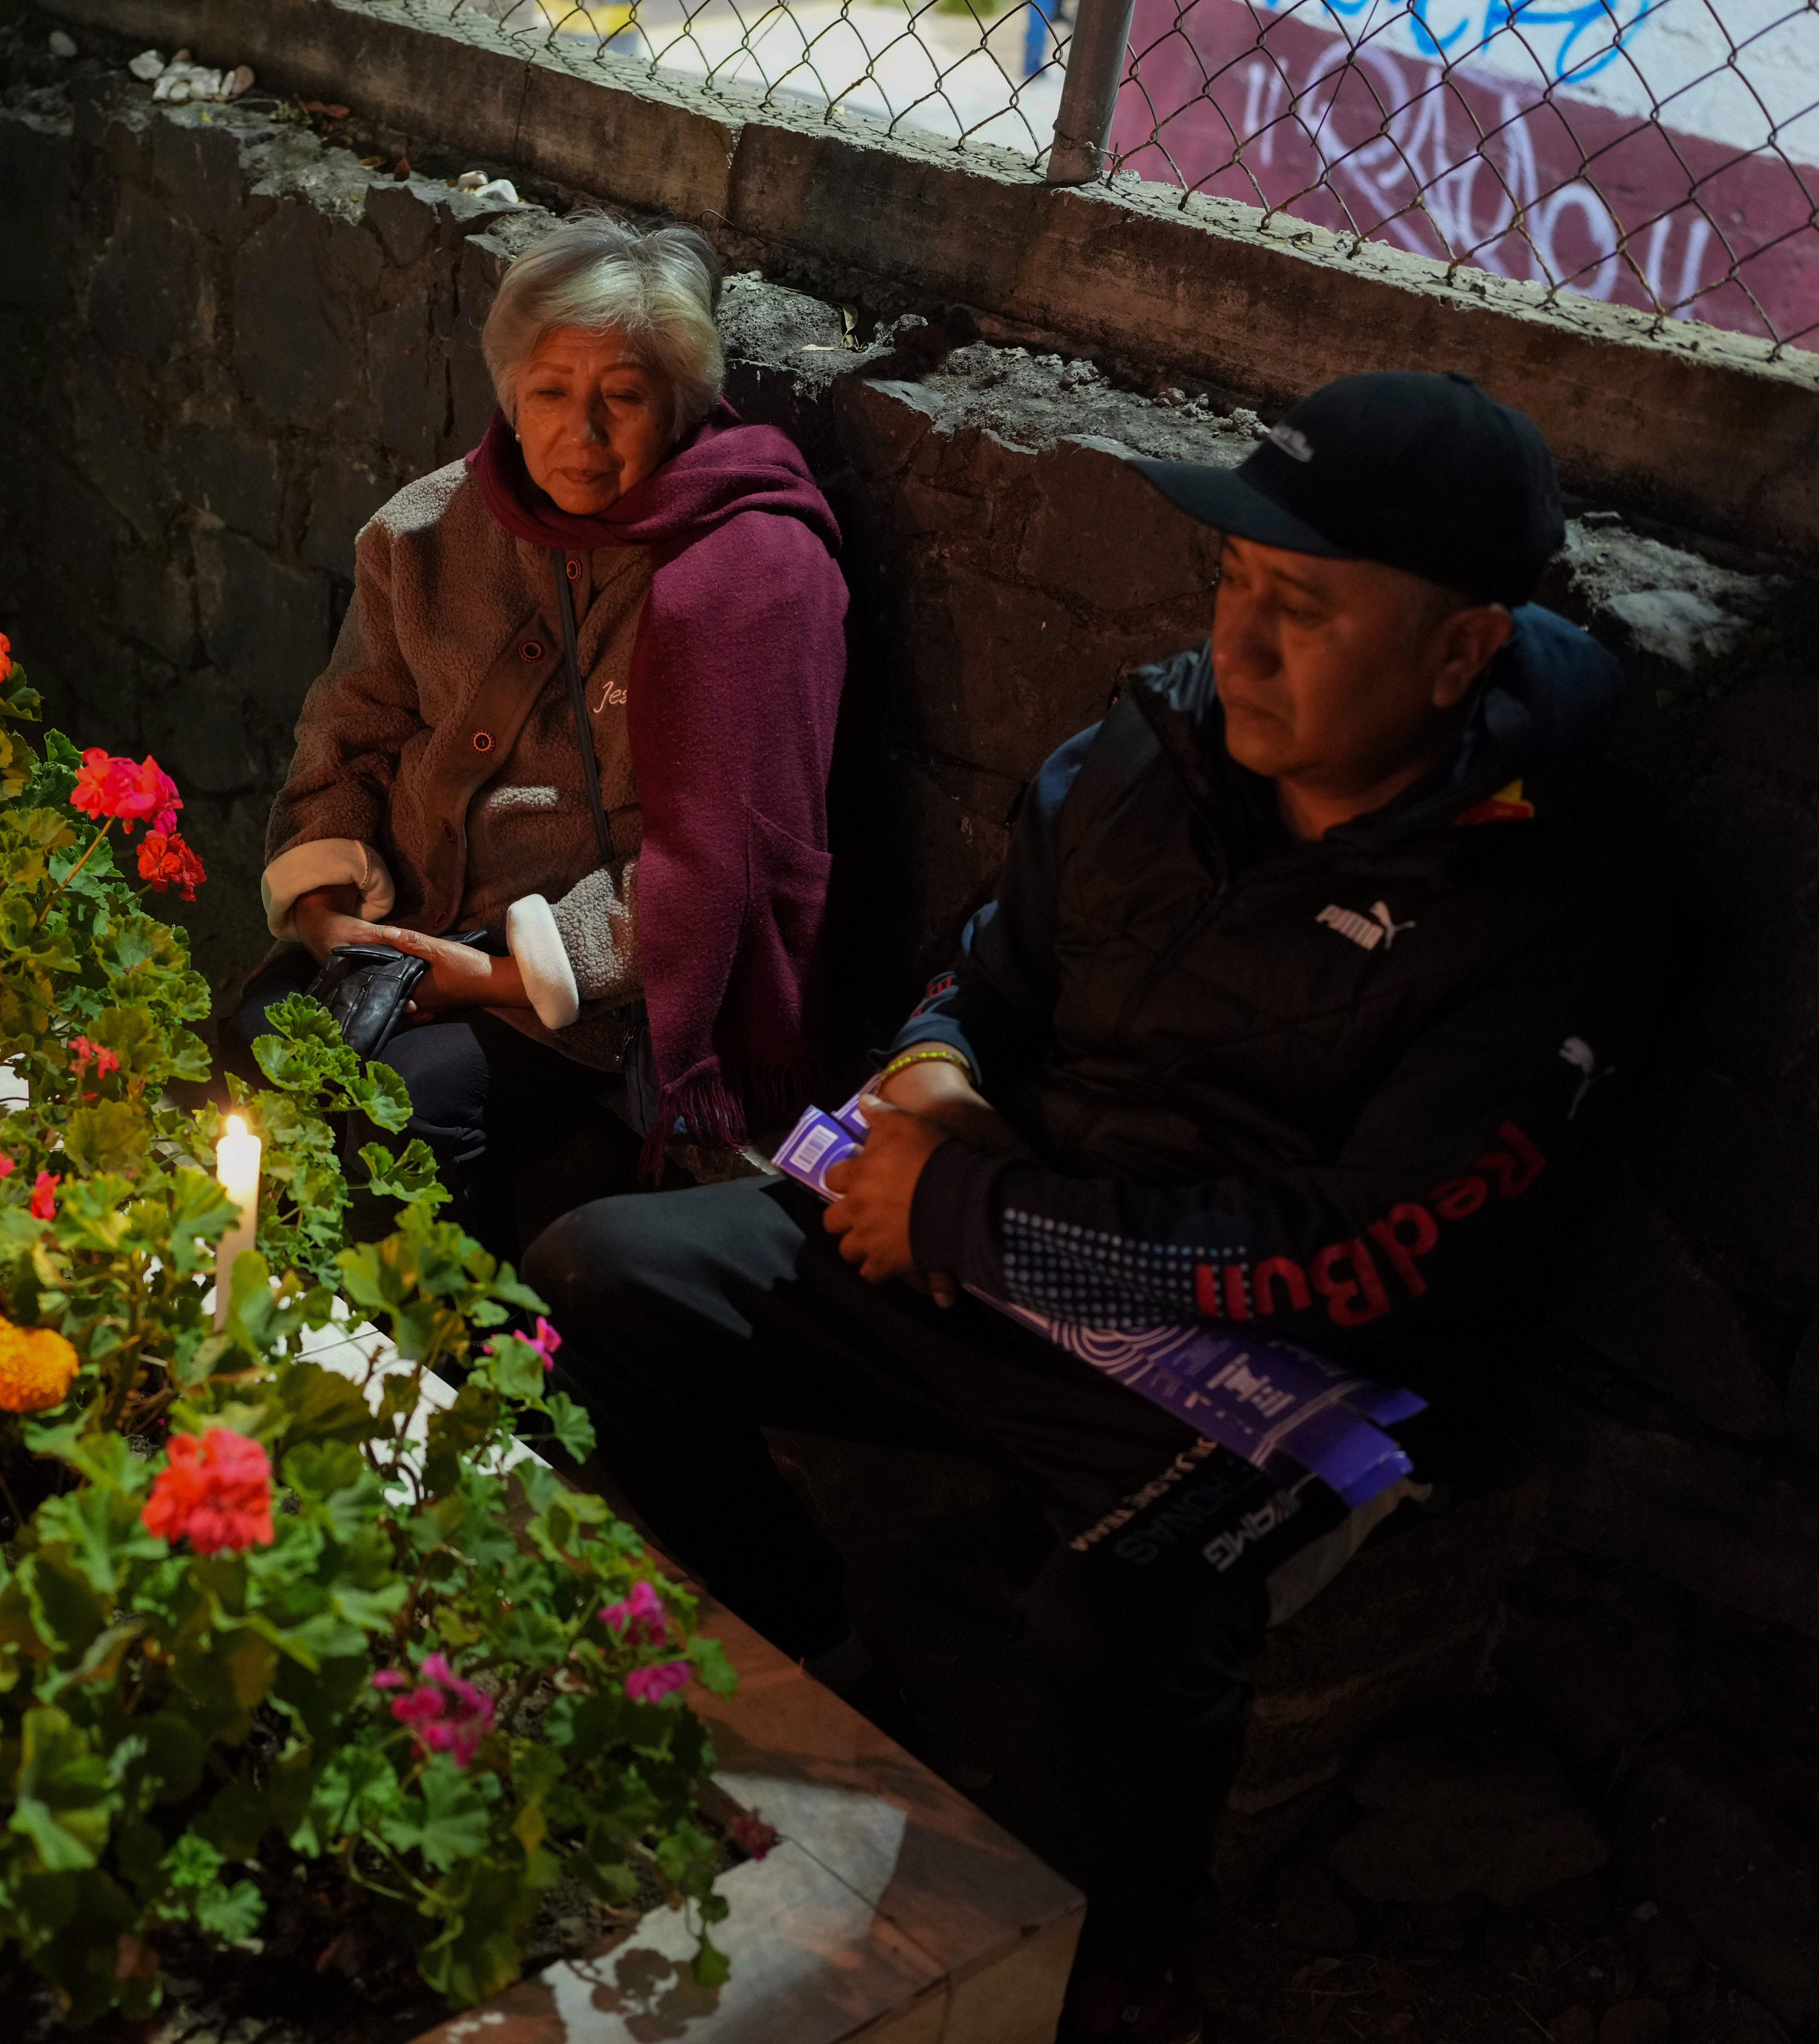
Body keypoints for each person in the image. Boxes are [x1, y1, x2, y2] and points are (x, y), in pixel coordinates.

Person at [525, 372, 1670, 2042]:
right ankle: (830, 1674)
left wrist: (974, 1216)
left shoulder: (1564, 902)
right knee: (600, 1277)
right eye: (1235, 583)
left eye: (1308, 610)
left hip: (1276, 1370)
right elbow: (982, 974)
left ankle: (1109, 1966)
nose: (1246, 644)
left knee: (1114, 1618)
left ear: (1460, 652)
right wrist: (930, 1076)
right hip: (998, 1228)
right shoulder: (1153, 739)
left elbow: (1362, 1254)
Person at [227, 214, 849, 1257]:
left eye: (624, 396)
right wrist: (334, 922)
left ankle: (455, 1383)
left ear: (681, 409)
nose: (582, 434)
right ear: (511, 397)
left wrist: (500, 976)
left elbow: (716, 870)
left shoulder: (746, 578)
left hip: (584, 992)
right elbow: (350, 734)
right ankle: (274, 1333)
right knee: (256, 1043)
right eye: (552, 393)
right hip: (401, 938)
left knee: (406, 1102)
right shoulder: (423, 532)